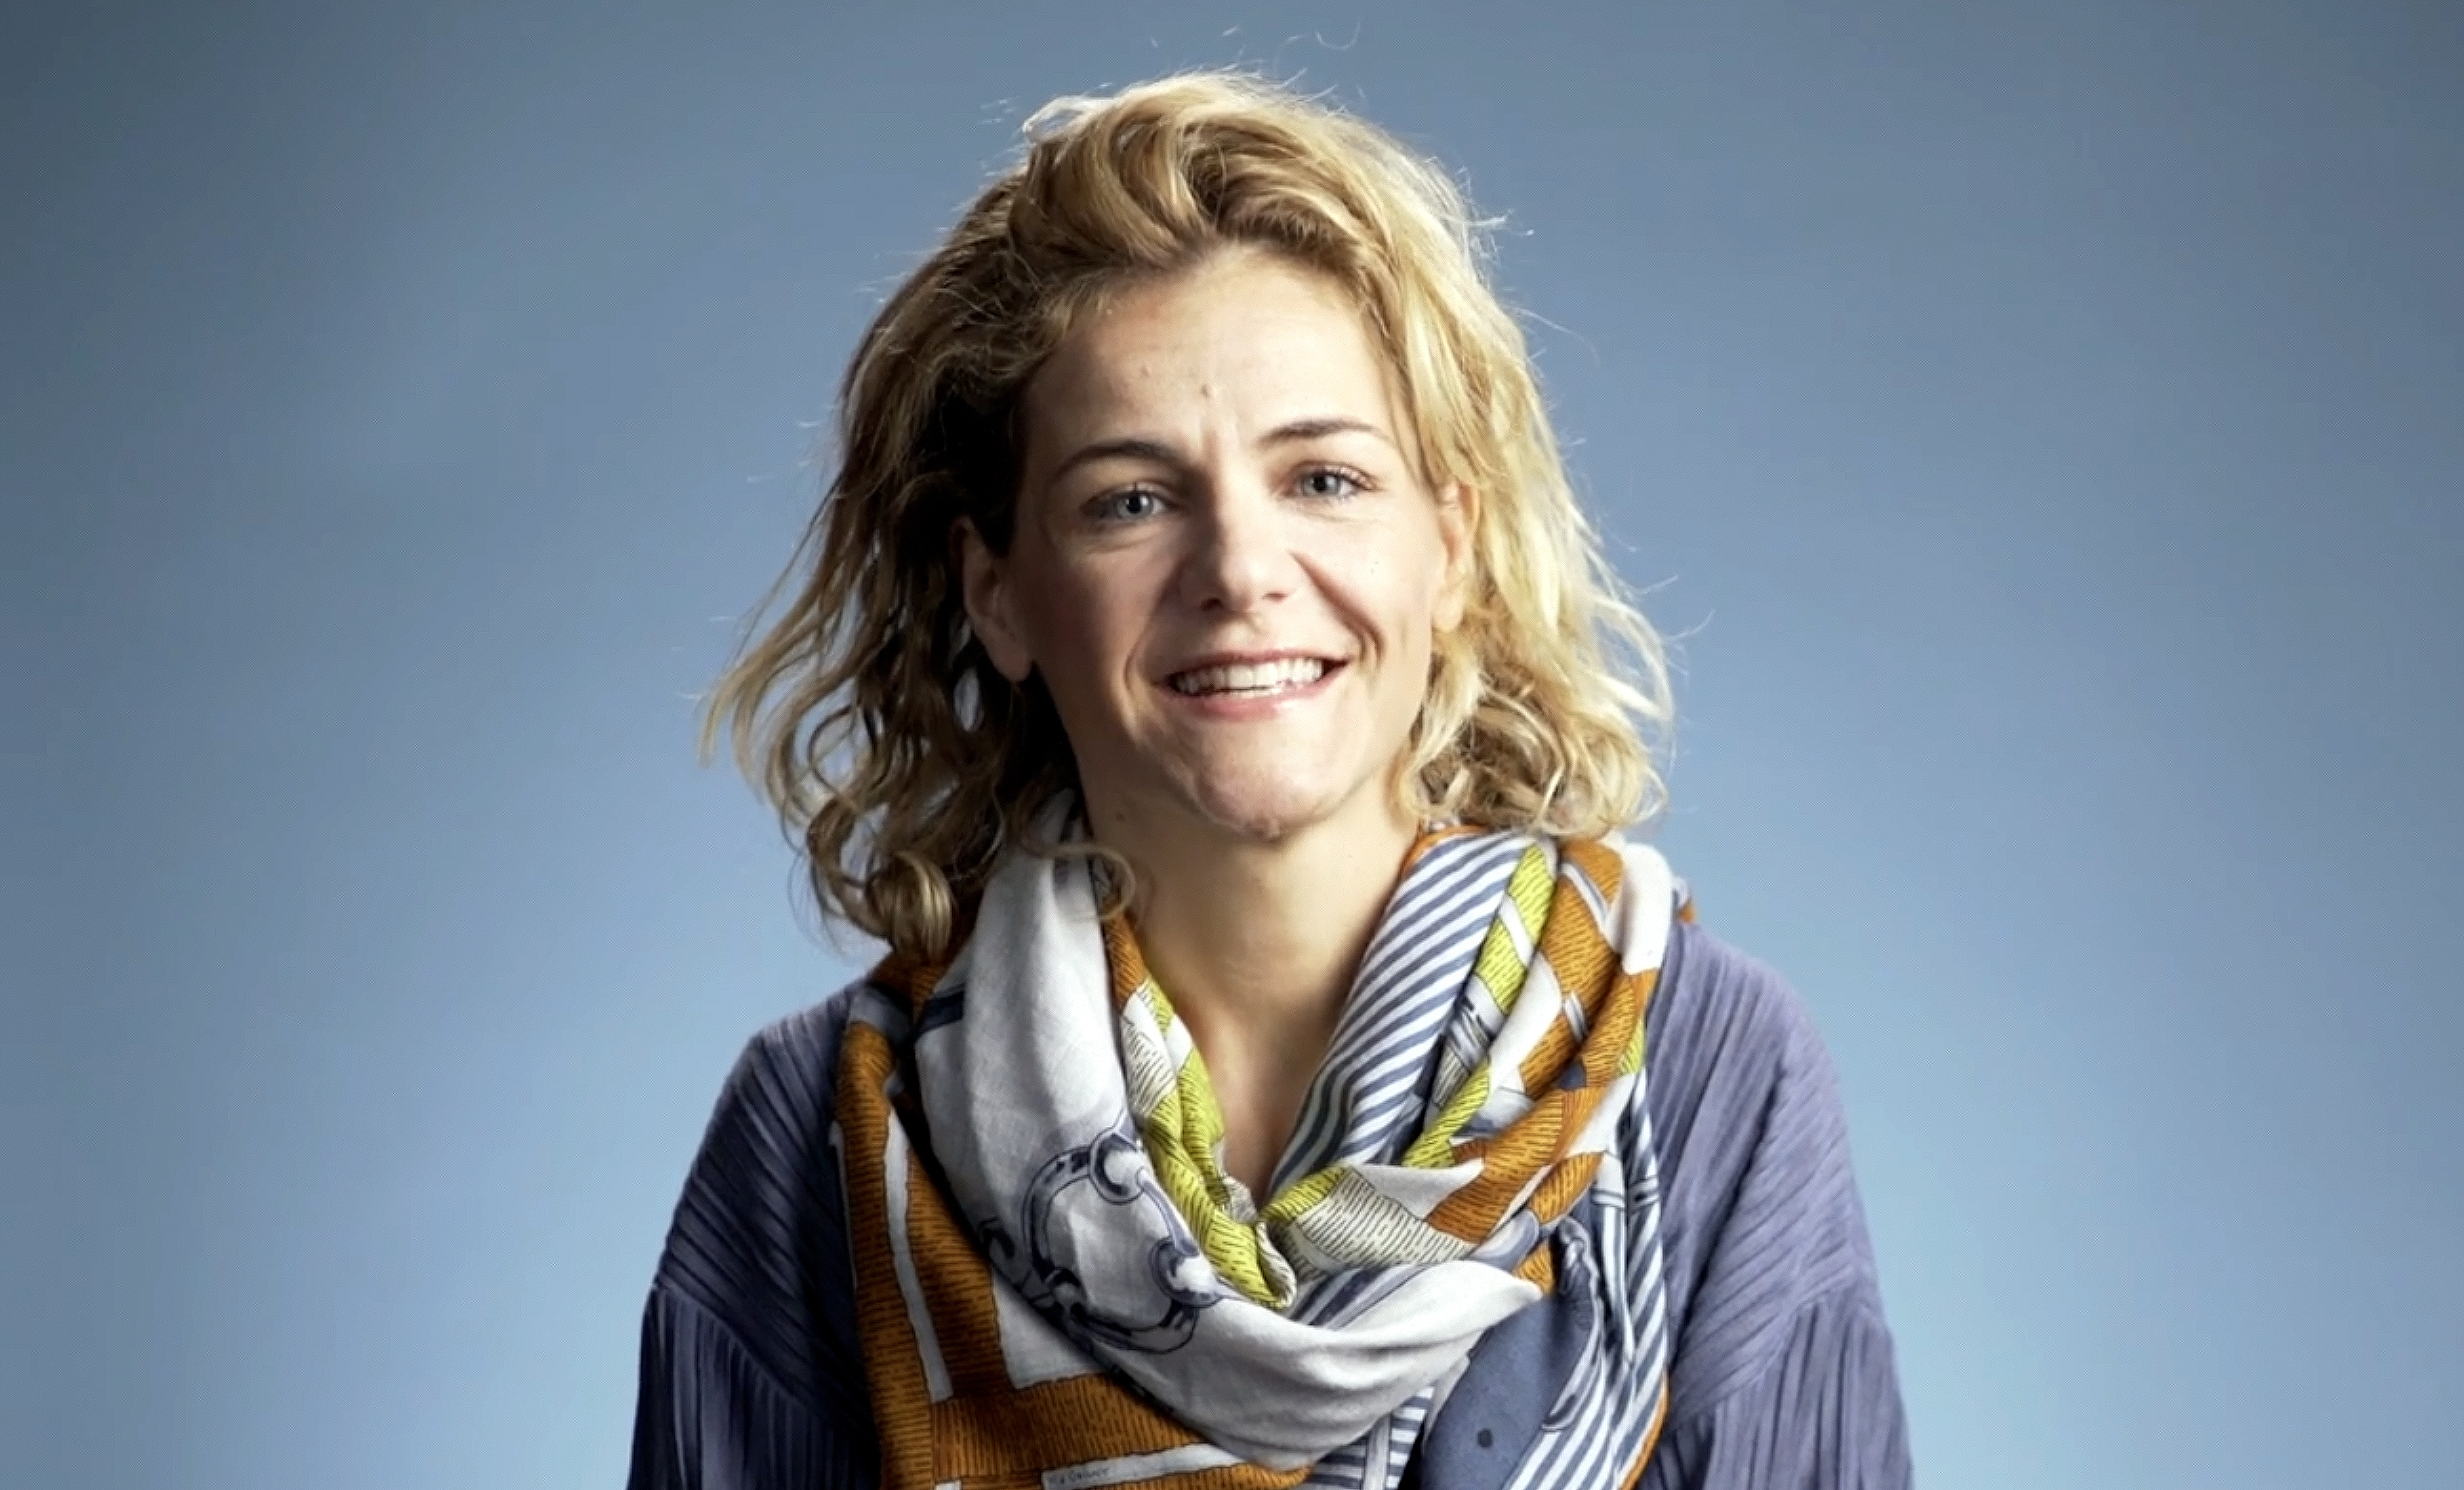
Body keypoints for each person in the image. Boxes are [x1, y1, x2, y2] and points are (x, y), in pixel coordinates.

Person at [628, 70, 1911, 1490]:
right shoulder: (828, 1132)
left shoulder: (1702, 1070)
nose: (1240, 571)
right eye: (1130, 500)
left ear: (1450, 549)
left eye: (1323, 480)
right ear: (999, 595)